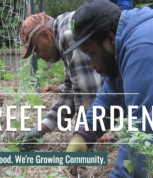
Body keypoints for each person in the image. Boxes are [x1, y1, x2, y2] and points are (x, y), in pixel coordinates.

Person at [64, 0, 153, 178]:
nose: (91, 64)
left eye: (90, 53)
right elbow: (111, 96)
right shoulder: (124, 43)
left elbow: (143, 121)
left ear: (109, 39)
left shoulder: (142, 46)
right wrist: (83, 135)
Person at [17, 12, 103, 152]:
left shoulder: (68, 34)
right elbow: (71, 92)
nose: (38, 57)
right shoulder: (62, 33)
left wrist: (82, 140)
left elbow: (88, 92)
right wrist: (39, 130)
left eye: (36, 49)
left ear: (46, 35)